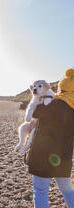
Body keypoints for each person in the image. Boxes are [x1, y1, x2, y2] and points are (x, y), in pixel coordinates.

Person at [25, 68, 74, 208]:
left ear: (61, 87)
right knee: (67, 189)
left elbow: (34, 113)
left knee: (40, 190)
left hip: (42, 155)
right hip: (63, 157)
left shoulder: (53, 103)